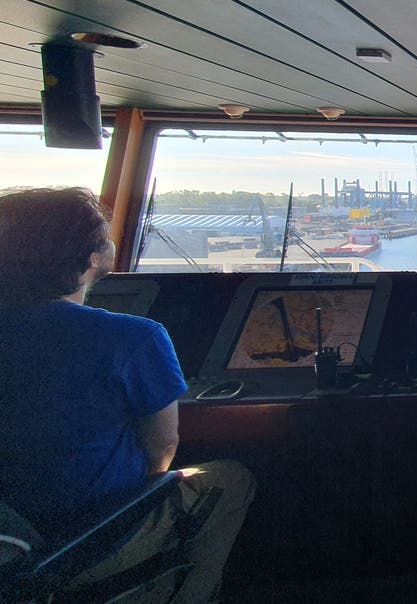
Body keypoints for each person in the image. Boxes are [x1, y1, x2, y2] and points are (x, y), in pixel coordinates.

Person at [0, 187, 255, 602]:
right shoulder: (132, 337)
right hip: (85, 537)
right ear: (90, 259)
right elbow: (163, 446)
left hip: (9, 541)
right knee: (229, 480)